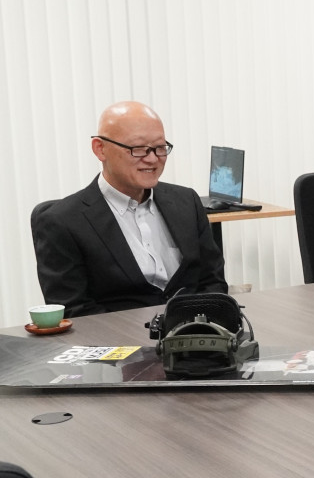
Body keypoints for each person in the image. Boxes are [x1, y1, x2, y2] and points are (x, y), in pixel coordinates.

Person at [32, 101, 227, 318]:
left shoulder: (186, 201)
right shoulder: (62, 221)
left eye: (160, 148)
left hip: (194, 332)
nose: (152, 159)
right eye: (138, 149)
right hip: (117, 337)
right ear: (100, 149)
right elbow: (75, 312)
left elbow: (212, 282)